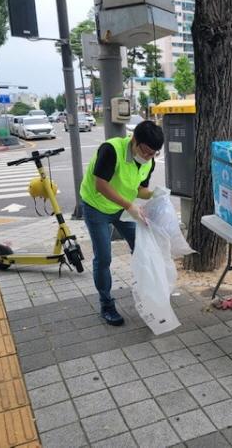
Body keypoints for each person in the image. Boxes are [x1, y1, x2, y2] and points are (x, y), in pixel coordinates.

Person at [80, 120, 164, 326]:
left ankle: (149, 296)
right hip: (96, 206)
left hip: (121, 207)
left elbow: (140, 189)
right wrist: (129, 206)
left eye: (153, 153)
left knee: (144, 248)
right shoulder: (111, 149)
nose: (147, 157)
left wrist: (154, 194)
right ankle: (106, 304)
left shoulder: (148, 161)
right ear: (134, 140)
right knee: (104, 257)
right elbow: (101, 185)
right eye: (145, 151)